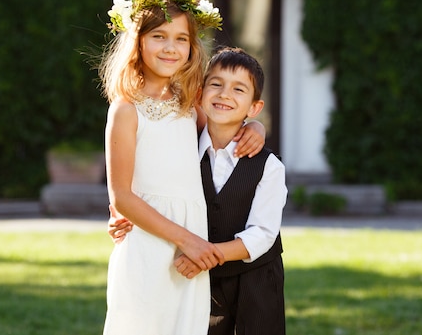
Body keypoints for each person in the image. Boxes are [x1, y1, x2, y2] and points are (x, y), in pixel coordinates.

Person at [98, 0, 265, 335]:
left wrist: (256, 127)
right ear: (138, 41)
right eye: (159, 36)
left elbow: (226, 129)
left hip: (192, 245)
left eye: (181, 39)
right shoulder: (126, 110)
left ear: (192, 47)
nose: (171, 48)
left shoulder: (190, 101)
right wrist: (187, 241)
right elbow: (122, 196)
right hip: (149, 244)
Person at [110, 47, 288, 335]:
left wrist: (204, 255)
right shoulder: (185, 146)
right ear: (200, 93)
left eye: (238, 89)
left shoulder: (268, 167)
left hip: (255, 284)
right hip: (200, 284)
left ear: (254, 107)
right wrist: (122, 212)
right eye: (216, 84)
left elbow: (263, 234)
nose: (225, 94)